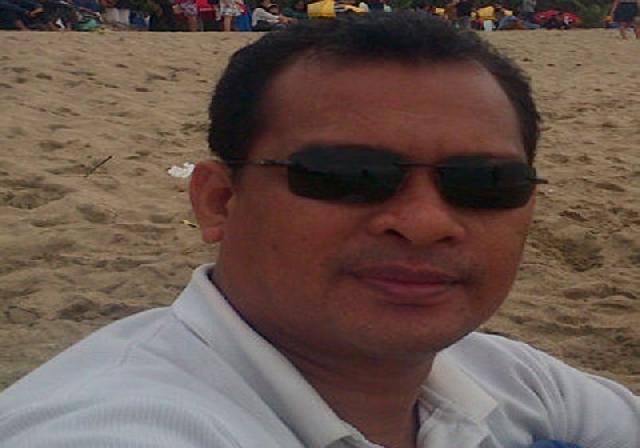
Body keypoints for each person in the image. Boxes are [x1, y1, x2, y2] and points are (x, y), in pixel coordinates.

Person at [0, 14, 638, 448]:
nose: (425, 223)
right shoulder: (115, 423)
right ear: (220, 202)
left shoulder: (502, 377)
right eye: (349, 175)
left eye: (486, 184)